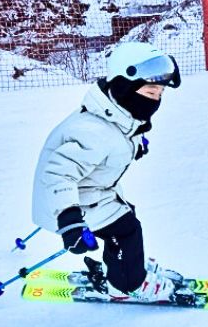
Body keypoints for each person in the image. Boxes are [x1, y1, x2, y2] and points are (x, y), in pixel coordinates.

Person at [31, 40, 181, 302]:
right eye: (150, 93)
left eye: (160, 94)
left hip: (92, 192)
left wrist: (136, 146)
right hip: (66, 204)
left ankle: (125, 266)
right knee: (126, 230)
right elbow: (59, 174)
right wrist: (69, 219)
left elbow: (120, 136)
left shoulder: (116, 112)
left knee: (125, 216)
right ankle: (128, 285)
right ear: (124, 87)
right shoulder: (93, 131)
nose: (156, 101)